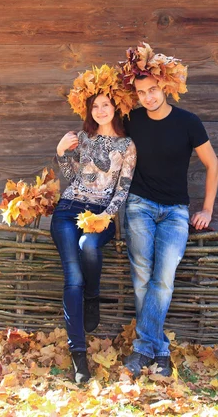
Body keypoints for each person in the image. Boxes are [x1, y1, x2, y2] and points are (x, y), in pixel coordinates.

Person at [118, 43, 218, 377]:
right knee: (143, 275)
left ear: (165, 87)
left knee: (164, 277)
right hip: (139, 205)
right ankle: (157, 351)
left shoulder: (188, 123)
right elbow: (103, 132)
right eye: (142, 92)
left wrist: (206, 209)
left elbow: (212, 165)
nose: (148, 97)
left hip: (176, 210)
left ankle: (145, 349)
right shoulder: (131, 120)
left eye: (153, 90)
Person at [50, 64, 137, 384]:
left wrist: (105, 216)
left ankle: (93, 296)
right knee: (72, 278)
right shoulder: (83, 138)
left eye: (105, 104)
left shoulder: (127, 146)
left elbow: (123, 188)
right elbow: (73, 179)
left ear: (116, 107)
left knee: (89, 246)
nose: (100, 110)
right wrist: (61, 152)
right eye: (95, 106)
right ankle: (79, 357)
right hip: (68, 210)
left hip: (102, 214)